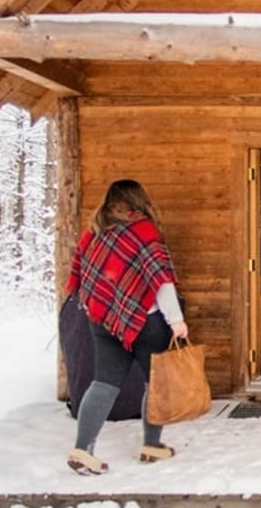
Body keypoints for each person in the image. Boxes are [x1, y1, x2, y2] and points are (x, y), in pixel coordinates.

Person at [65, 179, 189, 475]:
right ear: (139, 200)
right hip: (148, 320)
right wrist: (176, 320)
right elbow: (161, 281)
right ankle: (151, 445)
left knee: (104, 383)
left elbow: (81, 276)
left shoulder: (94, 233)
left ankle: (83, 449)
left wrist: (100, 308)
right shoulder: (143, 231)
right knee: (155, 384)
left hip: (103, 320)